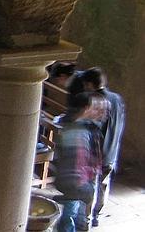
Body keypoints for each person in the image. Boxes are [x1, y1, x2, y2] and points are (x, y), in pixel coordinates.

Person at [81, 67, 126, 227]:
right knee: (103, 185)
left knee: (90, 187)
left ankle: (84, 221)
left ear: (90, 85)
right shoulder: (117, 98)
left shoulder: (96, 102)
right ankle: (96, 217)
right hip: (111, 152)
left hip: (96, 153)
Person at [54, 92, 106, 232]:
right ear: (85, 108)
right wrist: (82, 183)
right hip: (76, 183)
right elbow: (76, 160)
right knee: (70, 219)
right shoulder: (77, 130)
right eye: (94, 107)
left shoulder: (82, 127)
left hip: (78, 182)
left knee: (73, 216)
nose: (99, 111)